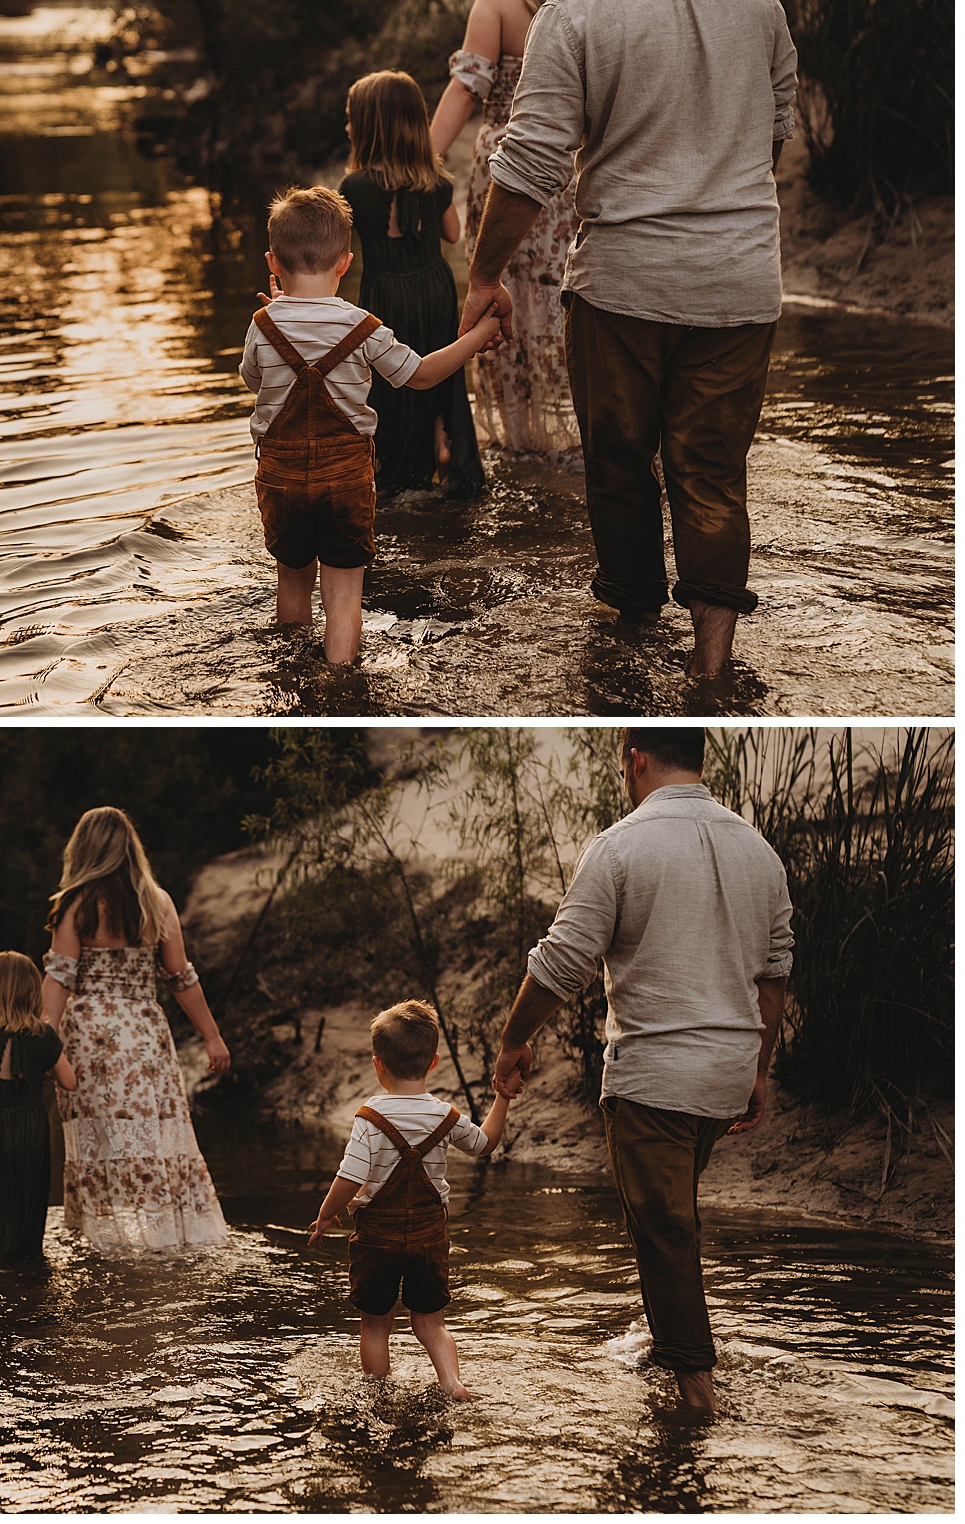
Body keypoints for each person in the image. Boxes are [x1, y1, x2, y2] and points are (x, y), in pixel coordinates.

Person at [461, 0, 799, 677]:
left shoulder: (576, 8)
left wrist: (484, 275)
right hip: (739, 284)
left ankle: (633, 640)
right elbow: (774, 132)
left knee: (618, 463)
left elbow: (530, 163)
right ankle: (710, 668)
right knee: (711, 473)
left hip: (624, 284)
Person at [493, 727, 793, 1414]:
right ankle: (667, 1349)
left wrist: (512, 1041)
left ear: (635, 760)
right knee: (671, 1214)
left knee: (664, 1229)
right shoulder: (759, 850)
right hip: (723, 1075)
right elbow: (775, 972)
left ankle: (697, 1393)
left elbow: (562, 961)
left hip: (655, 1077)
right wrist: (757, 1066)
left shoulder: (620, 845)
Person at [241, 186, 501, 664]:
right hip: (344, 478)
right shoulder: (363, 326)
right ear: (345, 261)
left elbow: (254, 380)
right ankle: (341, 687)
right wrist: (481, 333)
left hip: (281, 477)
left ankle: (292, 676)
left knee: (293, 583)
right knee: (343, 598)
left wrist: (278, 311)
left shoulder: (263, 323)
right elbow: (420, 375)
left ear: (272, 262)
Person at [42, 806, 231, 1255]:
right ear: (130, 848)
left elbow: (60, 977)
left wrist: (46, 1040)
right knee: (153, 1133)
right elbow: (181, 977)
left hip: (89, 1036)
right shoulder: (156, 901)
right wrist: (211, 1035)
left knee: (99, 1139)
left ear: (82, 849)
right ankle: (163, 1237)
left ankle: (103, 1240)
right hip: (143, 1034)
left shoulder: (74, 904)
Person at [308, 999, 511, 1400]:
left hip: (377, 1240)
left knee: (375, 1325)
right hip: (429, 1237)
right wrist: (502, 1097)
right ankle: (452, 1383)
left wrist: (326, 1215)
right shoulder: (446, 1116)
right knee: (431, 1324)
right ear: (434, 1063)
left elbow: (350, 1177)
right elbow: (485, 1144)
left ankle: (378, 1395)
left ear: (377, 1064)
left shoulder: (369, 1118)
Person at [430, 0, 579, 459]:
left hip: (506, 169)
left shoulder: (495, 2)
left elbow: (465, 89)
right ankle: (577, 432)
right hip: (566, 172)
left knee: (498, 295)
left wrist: (421, 161)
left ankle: (520, 439)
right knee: (562, 293)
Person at [339, 70, 485, 499]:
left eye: (352, 118)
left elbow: (337, 248)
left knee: (391, 379)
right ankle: (445, 447)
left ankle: (398, 469)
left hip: (385, 295)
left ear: (371, 125)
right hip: (435, 290)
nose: (347, 127)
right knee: (440, 370)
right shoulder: (436, 182)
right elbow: (454, 235)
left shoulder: (355, 186)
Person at [0, 951, 77, 1265]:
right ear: (32, 991)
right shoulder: (44, 1035)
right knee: (26, 1196)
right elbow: (70, 1082)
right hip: (31, 1131)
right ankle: (25, 1261)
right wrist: (43, 1069)